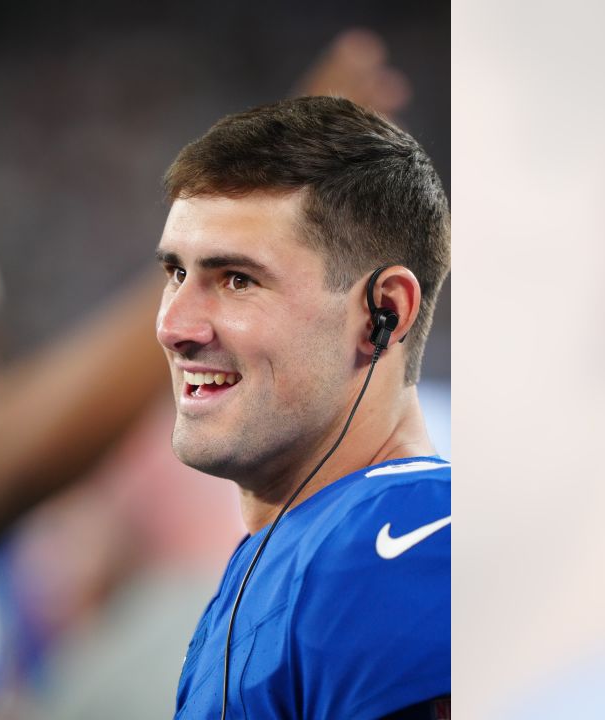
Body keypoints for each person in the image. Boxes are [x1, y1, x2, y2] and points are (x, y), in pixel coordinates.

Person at [154, 96, 451, 719]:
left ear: (384, 313)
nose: (173, 326)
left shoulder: (404, 537)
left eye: (237, 279)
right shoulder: (291, 549)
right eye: (176, 273)